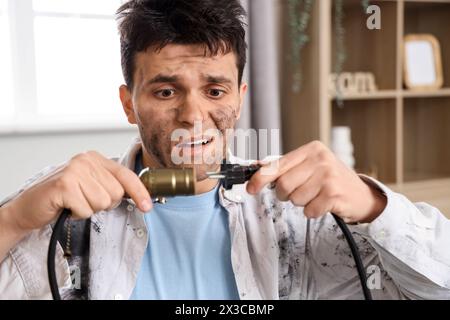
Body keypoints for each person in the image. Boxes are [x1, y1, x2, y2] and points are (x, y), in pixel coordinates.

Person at [0, 0, 449, 300]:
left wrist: (374, 206)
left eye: (215, 91)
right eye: (165, 92)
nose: (193, 116)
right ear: (128, 104)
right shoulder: (66, 210)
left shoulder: (298, 216)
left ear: (240, 96)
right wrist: (14, 218)